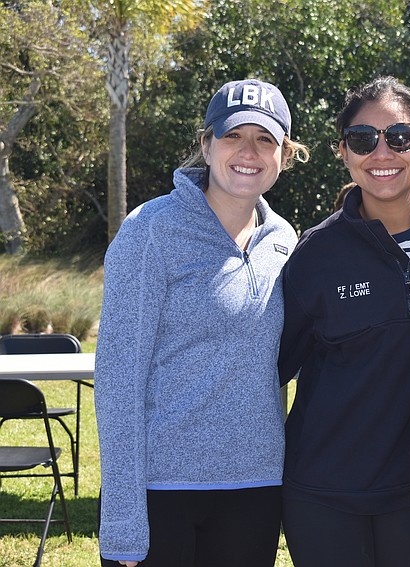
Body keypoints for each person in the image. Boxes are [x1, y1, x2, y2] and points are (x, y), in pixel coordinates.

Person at [278, 75, 410, 567]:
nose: (382, 152)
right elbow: (274, 368)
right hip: (324, 493)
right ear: (344, 152)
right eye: (362, 139)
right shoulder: (315, 253)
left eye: (399, 137)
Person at [95, 78, 309, 567]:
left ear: (283, 154)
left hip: (255, 488)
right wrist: (124, 518)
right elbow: (118, 380)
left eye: (265, 140)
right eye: (234, 135)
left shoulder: (283, 239)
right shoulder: (150, 230)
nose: (248, 151)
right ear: (207, 144)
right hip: (162, 489)